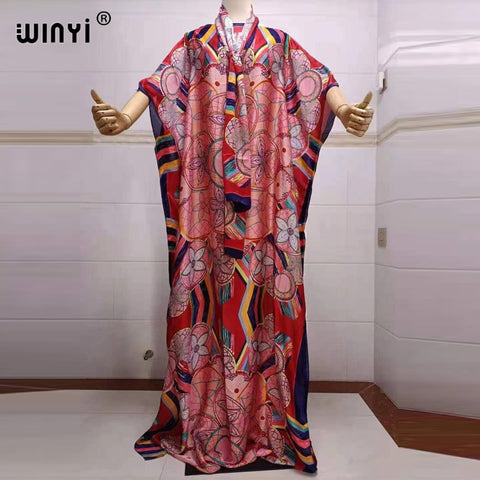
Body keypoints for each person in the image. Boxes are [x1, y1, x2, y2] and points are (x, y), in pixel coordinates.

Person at [91, 0, 374, 474]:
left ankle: (265, 419)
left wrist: (344, 110)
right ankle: (206, 414)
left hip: (265, 207)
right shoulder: (196, 43)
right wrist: (123, 116)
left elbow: (320, 83)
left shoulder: (278, 46)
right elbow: (159, 86)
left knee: (267, 303)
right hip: (206, 207)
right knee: (199, 303)